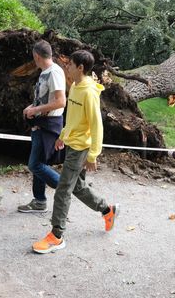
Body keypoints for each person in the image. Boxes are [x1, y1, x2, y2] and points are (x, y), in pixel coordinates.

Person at [32, 50, 119, 254]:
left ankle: (57, 235)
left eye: (70, 64)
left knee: (63, 189)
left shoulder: (89, 92)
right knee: (77, 186)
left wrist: (93, 155)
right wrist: (63, 135)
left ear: (81, 67)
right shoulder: (77, 87)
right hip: (72, 143)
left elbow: (97, 125)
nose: (67, 67)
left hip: (81, 148)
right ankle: (107, 210)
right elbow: (73, 117)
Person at [17, 40, 67, 213]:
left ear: (36, 56)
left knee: (35, 165)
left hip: (48, 125)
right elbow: (45, 98)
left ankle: (65, 187)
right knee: (40, 163)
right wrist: (32, 107)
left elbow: (61, 101)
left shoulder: (54, 72)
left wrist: (37, 109)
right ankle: (39, 201)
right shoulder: (45, 72)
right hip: (39, 123)